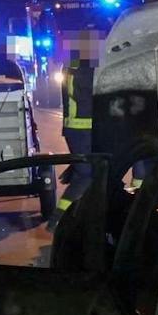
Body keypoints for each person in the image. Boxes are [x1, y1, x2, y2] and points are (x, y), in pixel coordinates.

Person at [58, 50, 95, 216]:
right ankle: (58, 218)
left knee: (91, 172)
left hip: (77, 129)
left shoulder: (71, 64)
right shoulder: (85, 67)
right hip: (83, 128)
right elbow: (91, 92)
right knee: (86, 176)